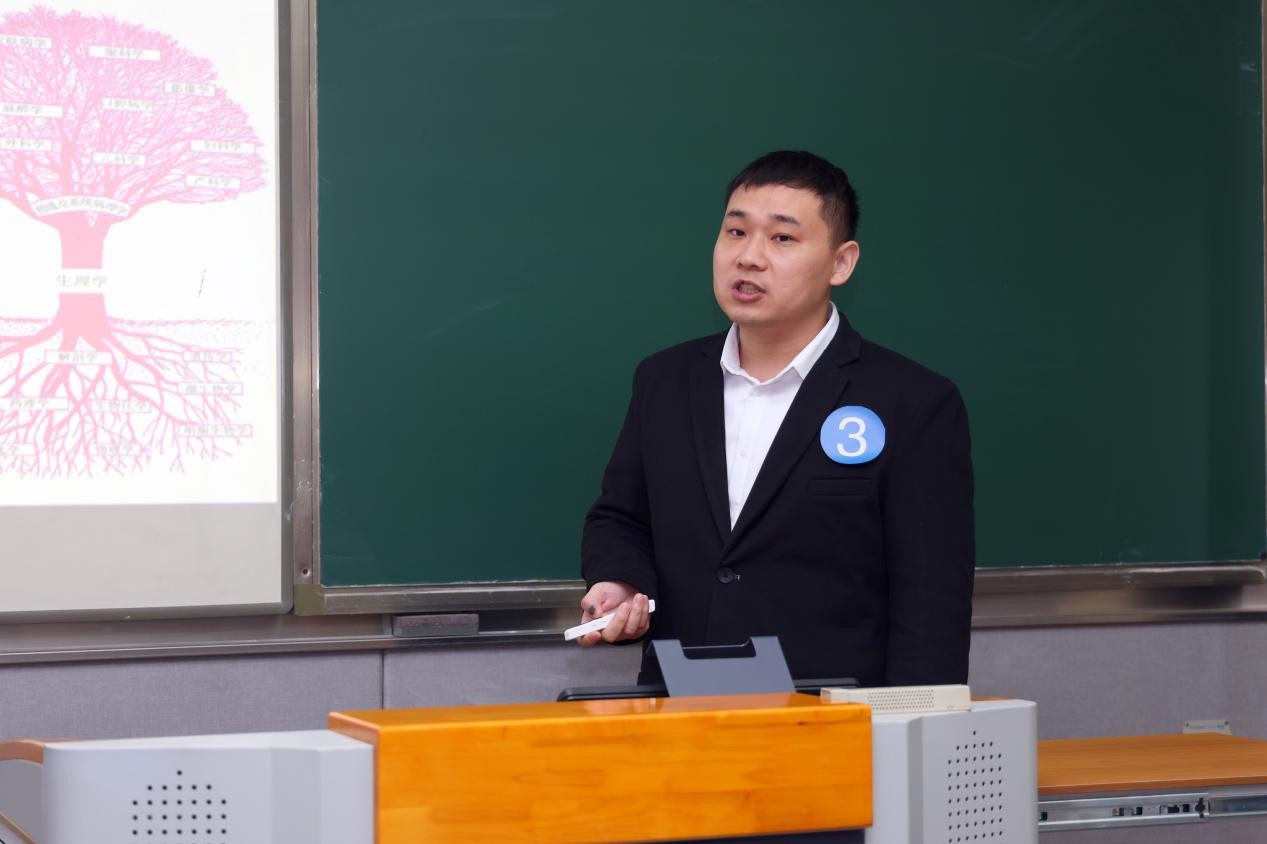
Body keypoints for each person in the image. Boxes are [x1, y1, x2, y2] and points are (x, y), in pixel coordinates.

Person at [577, 150, 974, 687]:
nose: (749, 257)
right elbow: (621, 517)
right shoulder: (664, 380)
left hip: (832, 715)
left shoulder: (913, 402)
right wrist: (622, 580)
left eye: (782, 237)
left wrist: (910, 725)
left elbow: (930, 603)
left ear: (841, 263)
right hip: (679, 703)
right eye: (736, 232)